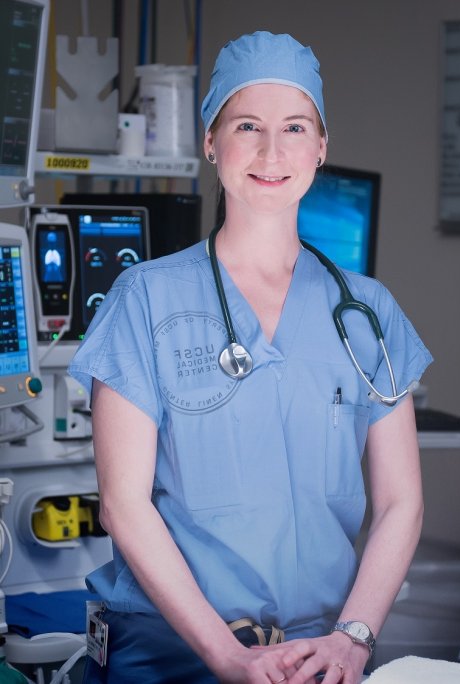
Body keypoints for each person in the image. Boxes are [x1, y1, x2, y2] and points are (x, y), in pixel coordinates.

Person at [69, 30, 432, 684]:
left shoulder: (368, 311)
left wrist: (352, 640)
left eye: (295, 127)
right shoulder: (146, 299)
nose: (272, 150)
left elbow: (401, 501)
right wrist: (227, 656)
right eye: (247, 125)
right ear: (212, 143)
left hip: (319, 662)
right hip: (172, 659)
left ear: (321, 147)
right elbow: (124, 505)